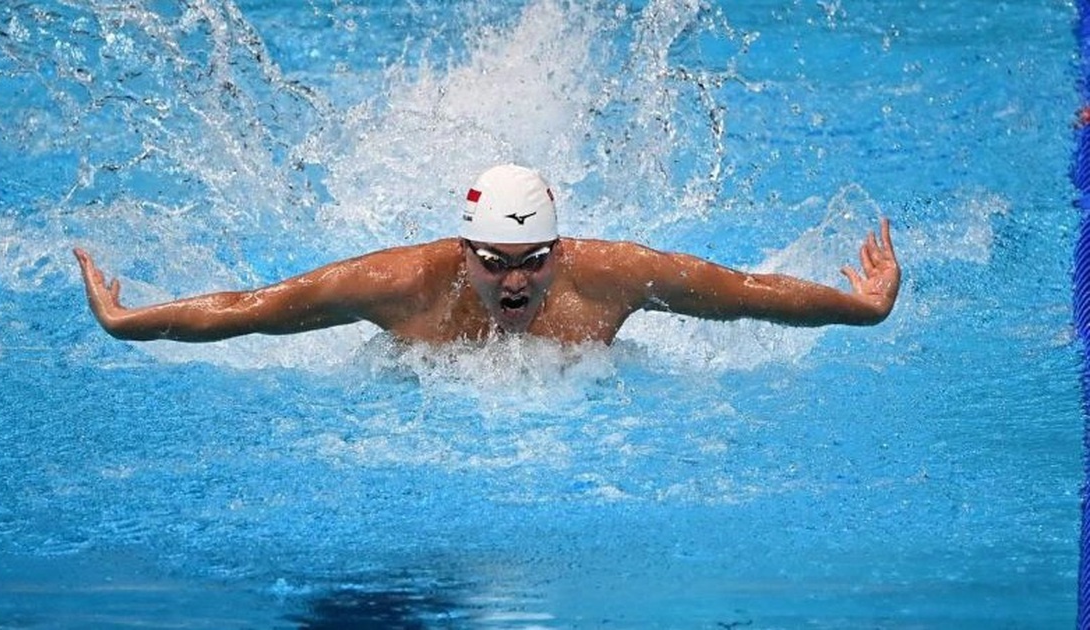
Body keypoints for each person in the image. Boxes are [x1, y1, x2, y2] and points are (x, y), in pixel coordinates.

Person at [74, 164, 899, 346]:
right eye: (495, 261)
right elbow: (254, 309)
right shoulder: (401, 285)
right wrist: (127, 320)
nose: (515, 280)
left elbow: (747, 292)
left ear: (558, 246)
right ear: (464, 251)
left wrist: (860, 305)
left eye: (534, 259)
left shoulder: (609, 275)